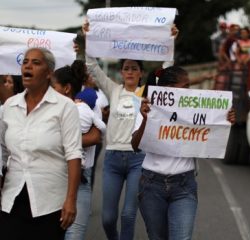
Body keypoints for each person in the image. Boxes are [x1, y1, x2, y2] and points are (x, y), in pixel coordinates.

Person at [131, 66, 236, 240]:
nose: (189, 91)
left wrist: (224, 120)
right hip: (151, 185)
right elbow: (135, 145)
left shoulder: (194, 110)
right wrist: (145, 120)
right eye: (185, 86)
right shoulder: (149, 107)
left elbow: (210, 133)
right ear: (170, 88)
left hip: (184, 186)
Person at [0, 47, 82, 239]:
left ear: (49, 73)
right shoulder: (10, 106)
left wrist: (71, 200)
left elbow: (74, 154)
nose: (28, 66)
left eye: (36, 63)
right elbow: (2, 150)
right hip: (12, 197)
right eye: (25, 62)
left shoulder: (65, 106)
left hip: (50, 202)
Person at [80, 21, 148, 240]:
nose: (129, 72)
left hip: (138, 159)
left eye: (134, 68)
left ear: (141, 73)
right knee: (108, 219)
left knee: (129, 214)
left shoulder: (147, 92)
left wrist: (171, 39)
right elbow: (92, 66)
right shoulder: (113, 89)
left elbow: (167, 72)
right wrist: (88, 38)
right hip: (113, 160)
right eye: (126, 68)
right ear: (121, 72)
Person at [50, 62, 106, 240]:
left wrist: (57, 140)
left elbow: (95, 137)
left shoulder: (87, 105)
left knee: (73, 236)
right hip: (50, 180)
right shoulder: (46, 108)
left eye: (52, 87)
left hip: (80, 180)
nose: (48, 91)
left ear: (66, 88)